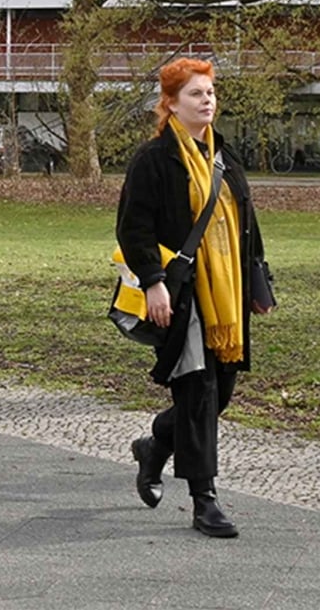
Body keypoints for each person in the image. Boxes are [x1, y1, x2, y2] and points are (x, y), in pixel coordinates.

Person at [117, 58, 274, 539]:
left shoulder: (224, 159)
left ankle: (157, 443)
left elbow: (247, 226)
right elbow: (133, 228)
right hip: (184, 296)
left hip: (228, 295)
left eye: (209, 93)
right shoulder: (154, 159)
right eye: (195, 94)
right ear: (170, 104)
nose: (206, 101)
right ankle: (204, 500)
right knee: (198, 390)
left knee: (219, 392)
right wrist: (153, 281)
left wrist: (259, 282)